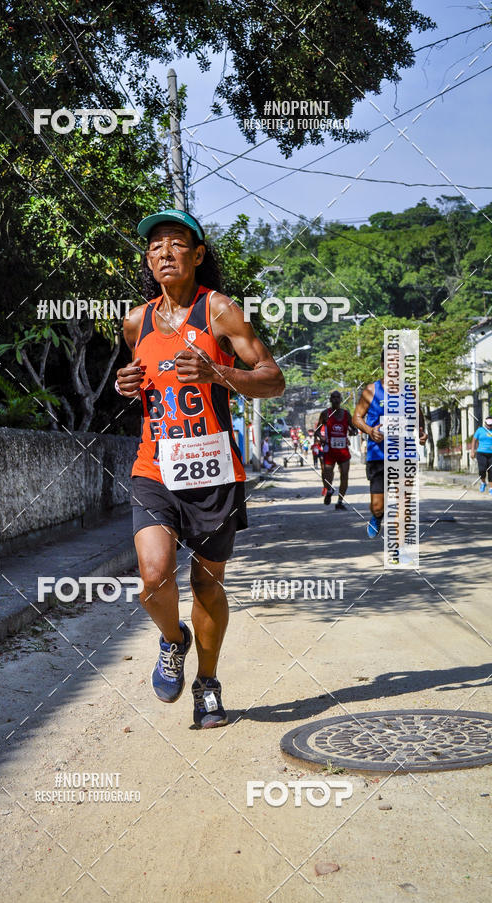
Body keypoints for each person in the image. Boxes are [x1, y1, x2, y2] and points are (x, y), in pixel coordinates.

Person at [116, 208, 285, 728]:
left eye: (175, 244)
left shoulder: (220, 312)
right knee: (152, 576)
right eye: (155, 247)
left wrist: (217, 371)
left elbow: (273, 379)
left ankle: (207, 683)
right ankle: (173, 640)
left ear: (197, 254)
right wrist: (126, 386)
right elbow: (148, 385)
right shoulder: (136, 321)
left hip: (213, 469)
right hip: (156, 466)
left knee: (207, 585)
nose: (164, 253)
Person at [353, 349, 426, 537]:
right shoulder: (371, 390)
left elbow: (419, 416)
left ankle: (398, 547)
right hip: (379, 455)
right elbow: (357, 418)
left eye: (398, 361)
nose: (395, 365)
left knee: (404, 501)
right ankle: (377, 517)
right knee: (378, 506)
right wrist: (370, 431)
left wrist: (421, 434)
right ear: (383, 365)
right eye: (390, 361)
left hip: (405, 454)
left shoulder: (410, 390)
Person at [316, 390, 357, 509]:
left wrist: (352, 432)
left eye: (337, 397)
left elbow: (354, 430)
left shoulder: (346, 414)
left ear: (340, 399)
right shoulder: (325, 414)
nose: (335, 399)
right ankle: (328, 490)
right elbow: (317, 430)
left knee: (344, 474)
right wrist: (321, 437)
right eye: (333, 397)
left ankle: (340, 501)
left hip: (343, 450)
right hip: (330, 450)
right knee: (326, 473)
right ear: (330, 400)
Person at [471, 416, 492, 494]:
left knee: (491, 471)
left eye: (491, 425)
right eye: (488, 424)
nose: (489, 426)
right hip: (481, 453)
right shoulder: (480, 430)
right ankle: (483, 483)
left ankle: (491, 488)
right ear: (485, 423)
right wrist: (472, 451)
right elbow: (474, 440)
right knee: (482, 470)